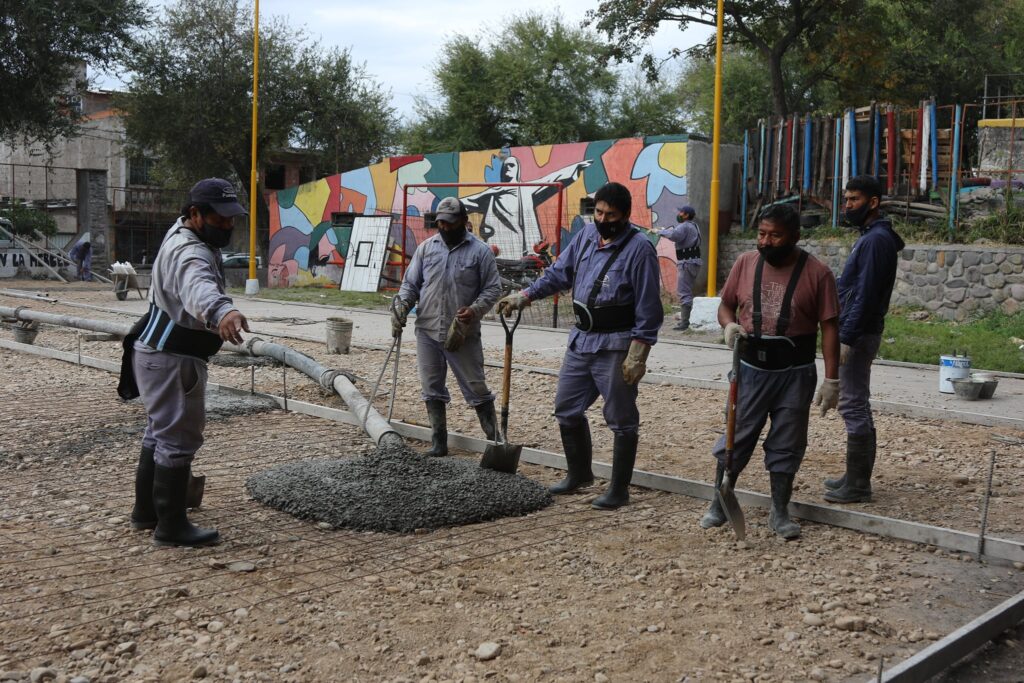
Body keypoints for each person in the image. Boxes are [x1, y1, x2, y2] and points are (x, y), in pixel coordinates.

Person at [497, 182, 663, 510]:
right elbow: (560, 273)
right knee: (566, 408)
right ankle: (579, 474)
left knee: (621, 417)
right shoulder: (586, 236)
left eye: (610, 215)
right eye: (598, 212)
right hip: (581, 339)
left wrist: (639, 352)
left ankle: (618, 489)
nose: (603, 219)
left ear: (626, 215)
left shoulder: (640, 249)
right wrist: (525, 295)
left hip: (616, 344)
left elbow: (649, 307)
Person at [119, 178, 250, 547]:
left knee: (158, 433)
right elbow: (199, 286)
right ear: (194, 214)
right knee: (178, 439)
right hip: (172, 358)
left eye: (231, 219)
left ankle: (146, 514)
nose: (227, 225)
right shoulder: (190, 251)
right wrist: (222, 310)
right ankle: (171, 527)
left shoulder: (183, 236)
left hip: (156, 353)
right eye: (220, 219)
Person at [699, 204, 840, 539]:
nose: (766, 241)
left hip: (796, 372)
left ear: (795, 237)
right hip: (750, 369)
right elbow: (725, 304)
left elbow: (831, 327)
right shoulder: (745, 264)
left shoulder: (818, 273)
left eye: (775, 236)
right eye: (762, 234)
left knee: (788, 442)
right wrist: (729, 324)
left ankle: (779, 511)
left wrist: (833, 380)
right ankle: (719, 501)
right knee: (736, 436)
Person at [393, 196, 501, 457]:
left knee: (476, 387)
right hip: (427, 329)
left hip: (461, 333)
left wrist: (474, 310)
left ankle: (496, 441)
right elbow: (411, 284)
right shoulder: (427, 248)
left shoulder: (480, 252)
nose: (445, 227)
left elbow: (493, 288)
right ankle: (439, 442)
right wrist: (403, 305)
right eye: (440, 222)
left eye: (450, 223)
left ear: (464, 221)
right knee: (431, 386)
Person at [823, 175, 905, 503]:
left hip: (859, 332)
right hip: (860, 329)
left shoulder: (875, 241)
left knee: (852, 401)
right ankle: (855, 475)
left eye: (854, 200)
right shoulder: (872, 236)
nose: (847, 206)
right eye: (846, 200)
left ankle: (858, 484)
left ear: (873, 203)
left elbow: (866, 295)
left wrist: (847, 337)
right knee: (857, 400)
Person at [657, 205, 703, 331]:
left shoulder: (684, 226)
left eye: (681, 212)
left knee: (684, 291)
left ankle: (685, 322)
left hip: (686, 262)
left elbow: (675, 236)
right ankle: (686, 319)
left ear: (686, 215)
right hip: (694, 261)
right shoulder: (694, 225)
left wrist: (660, 231)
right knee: (687, 290)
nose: (679, 214)